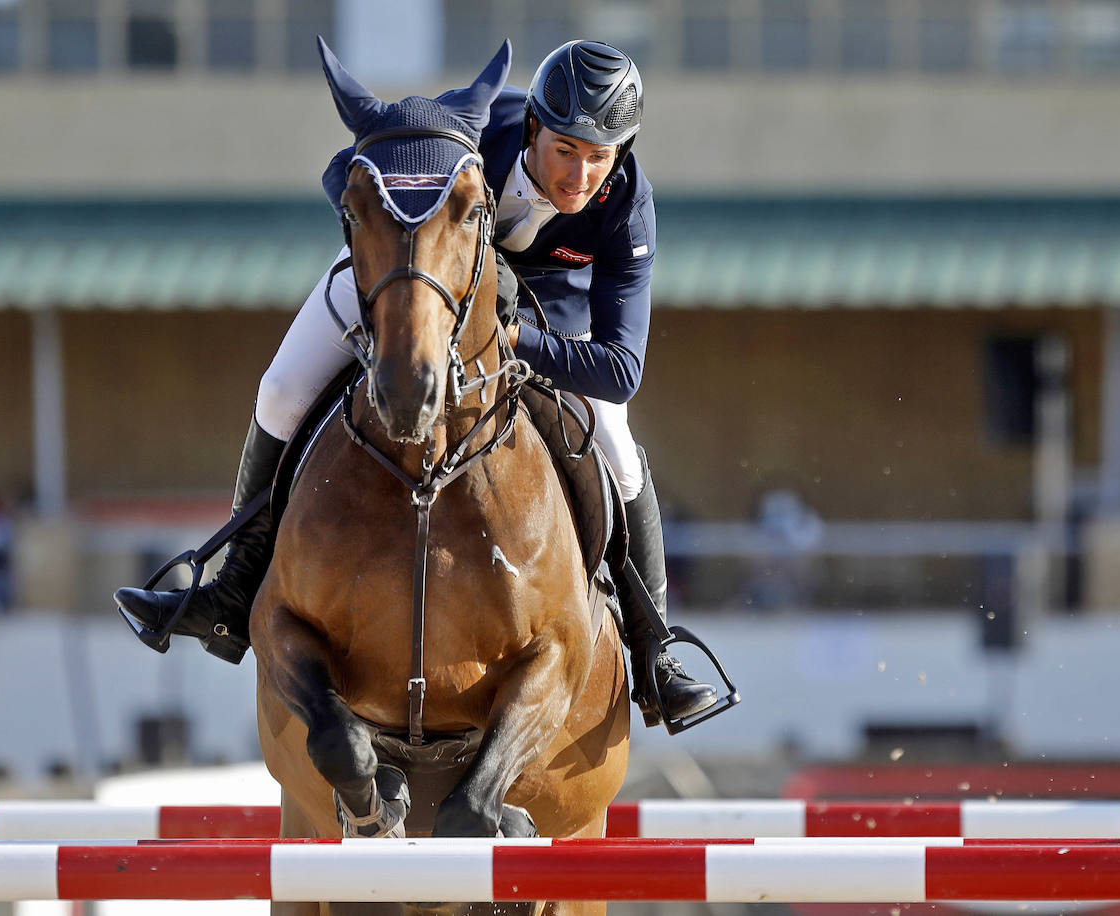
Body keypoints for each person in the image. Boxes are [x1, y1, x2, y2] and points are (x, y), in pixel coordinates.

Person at [116, 40, 718, 723]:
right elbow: (348, 169)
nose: (580, 173)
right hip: (416, 282)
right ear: (530, 130)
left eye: (599, 155)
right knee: (281, 392)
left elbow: (622, 368)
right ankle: (231, 594)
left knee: (614, 441)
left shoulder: (627, 207)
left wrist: (509, 336)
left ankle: (654, 652)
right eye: (565, 150)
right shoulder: (474, 136)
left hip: (546, 318)